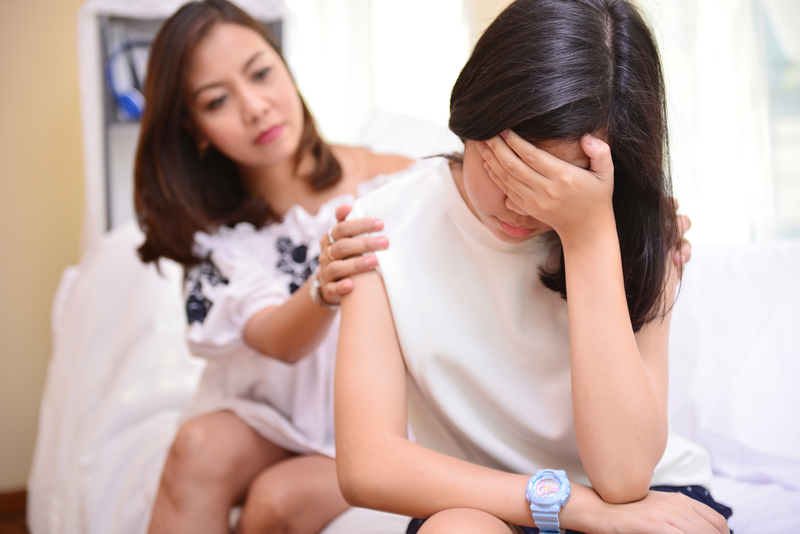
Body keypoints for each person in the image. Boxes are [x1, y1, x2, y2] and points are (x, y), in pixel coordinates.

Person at [334, 0, 732, 532]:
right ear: (471, 118)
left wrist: (589, 236)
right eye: (509, 169)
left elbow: (623, 477)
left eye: (558, 183)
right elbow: (367, 466)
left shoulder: (641, 231)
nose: (521, 205)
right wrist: (576, 506)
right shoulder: (382, 228)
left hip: (639, 499)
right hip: (487, 502)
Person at [133, 1, 413, 533]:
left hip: (372, 423)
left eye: (261, 73)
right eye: (218, 100)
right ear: (194, 128)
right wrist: (323, 287)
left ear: (286, 67)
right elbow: (278, 341)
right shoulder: (215, 238)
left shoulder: (395, 184)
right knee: (194, 449)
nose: (255, 106)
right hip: (268, 418)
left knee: (276, 502)